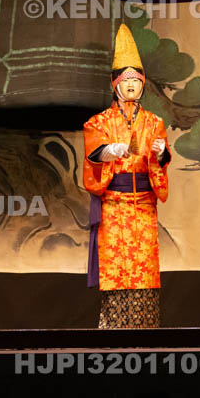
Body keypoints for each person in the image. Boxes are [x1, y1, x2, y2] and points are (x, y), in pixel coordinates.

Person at [83, 23, 170, 328]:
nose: (132, 85)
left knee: (144, 267)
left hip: (144, 204)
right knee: (116, 267)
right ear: (115, 84)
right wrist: (110, 150)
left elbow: (162, 160)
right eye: (126, 79)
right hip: (115, 205)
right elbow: (93, 153)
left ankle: (146, 329)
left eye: (136, 80)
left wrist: (160, 154)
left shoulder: (154, 122)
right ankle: (114, 330)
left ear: (143, 83)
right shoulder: (98, 123)